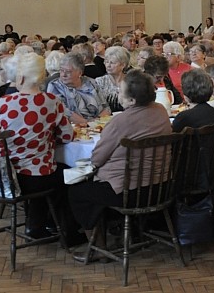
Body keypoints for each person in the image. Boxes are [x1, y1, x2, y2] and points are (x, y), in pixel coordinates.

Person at [68, 70, 171, 261]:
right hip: (160, 186)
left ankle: (98, 248)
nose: (117, 93)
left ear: (131, 100)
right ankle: (127, 233)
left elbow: (97, 158)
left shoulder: (121, 120)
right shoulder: (160, 110)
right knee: (96, 187)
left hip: (129, 191)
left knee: (77, 191)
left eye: (121, 91)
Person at [0, 53, 73, 239]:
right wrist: (48, 138)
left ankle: (36, 224)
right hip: (38, 175)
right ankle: (57, 227)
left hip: (7, 176)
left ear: (21, 77)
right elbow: (67, 135)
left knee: (49, 174)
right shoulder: (52, 101)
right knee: (66, 175)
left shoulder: (4, 102)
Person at [46, 52, 110, 124]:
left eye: (68, 71)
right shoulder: (55, 86)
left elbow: (106, 108)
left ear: (80, 73)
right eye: (61, 70)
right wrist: (87, 124)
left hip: (98, 126)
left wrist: (96, 123)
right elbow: (65, 112)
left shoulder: (91, 82)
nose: (63, 74)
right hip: (74, 128)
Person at [94, 46, 130, 113]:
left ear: (123, 65)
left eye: (112, 63)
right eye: (106, 62)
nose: (108, 65)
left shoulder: (130, 81)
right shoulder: (100, 81)